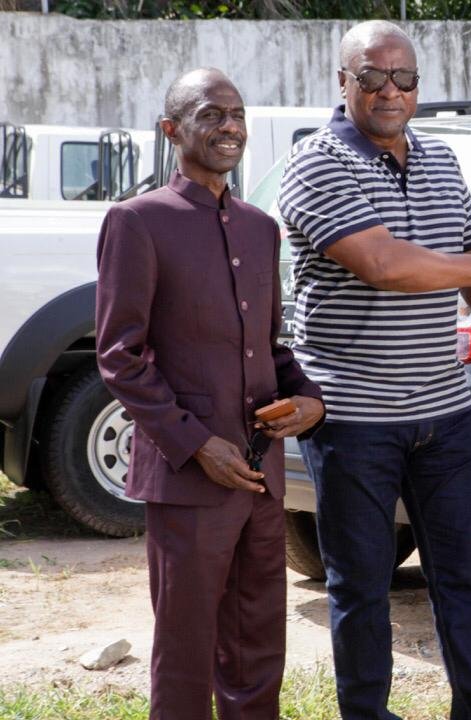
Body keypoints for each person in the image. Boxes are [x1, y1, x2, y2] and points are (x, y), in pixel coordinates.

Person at [277, 21, 471, 720]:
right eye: (373, 77)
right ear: (343, 83)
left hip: (442, 412)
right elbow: (387, 265)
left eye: (405, 79)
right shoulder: (316, 164)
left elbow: (464, 246)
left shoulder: (437, 159)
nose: (391, 91)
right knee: (362, 583)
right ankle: (367, 714)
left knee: (463, 574)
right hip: (353, 418)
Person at [95, 68, 325, 720]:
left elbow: (271, 347)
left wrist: (310, 400)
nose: (229, 126)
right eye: (211, 114)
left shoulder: (260, 228)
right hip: (189, 483)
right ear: (172, 130)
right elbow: (120, 358)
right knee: (186, 656)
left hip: (261, 476)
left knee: (257, 654)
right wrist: (197, 445)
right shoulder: (137, 223)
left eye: (237, 114)